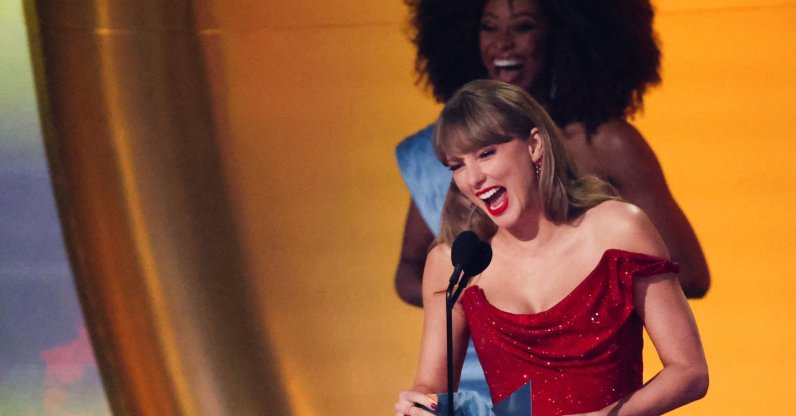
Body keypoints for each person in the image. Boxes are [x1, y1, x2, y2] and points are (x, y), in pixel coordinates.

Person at [394, 80, 708, 416]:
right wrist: (421, 405)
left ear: (534, 146)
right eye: (457, 165)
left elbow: (689, 371)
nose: (473, 179)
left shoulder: (618, 230)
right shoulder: (455, 263)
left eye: (486, 154)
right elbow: (431, 386)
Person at [395, 0, 710, 309]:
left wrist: (572, 295)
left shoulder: (605, 144)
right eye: (489, 27)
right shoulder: (451, 151)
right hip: (476, 357)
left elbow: (691, 275)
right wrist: (480, 303)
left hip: (583, 354)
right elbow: (408, 272)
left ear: (560, 34)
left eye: (523, 26)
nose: (503, 42)